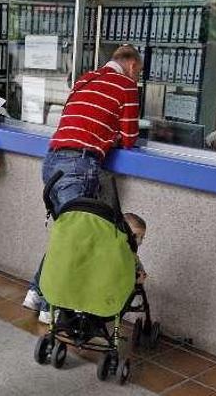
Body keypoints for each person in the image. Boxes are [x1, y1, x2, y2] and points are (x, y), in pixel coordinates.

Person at [23, 44, 142, 324]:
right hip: (80, 164)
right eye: (139, 73)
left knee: (68, 233)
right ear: (133, 66)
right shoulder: (125, 85)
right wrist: (109, 135)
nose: (137, 78)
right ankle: (49, 307)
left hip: (52, 161)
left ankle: (35, 292)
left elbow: (72, 117)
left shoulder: (85, 79)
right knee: (74, 240)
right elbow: (129, 137)